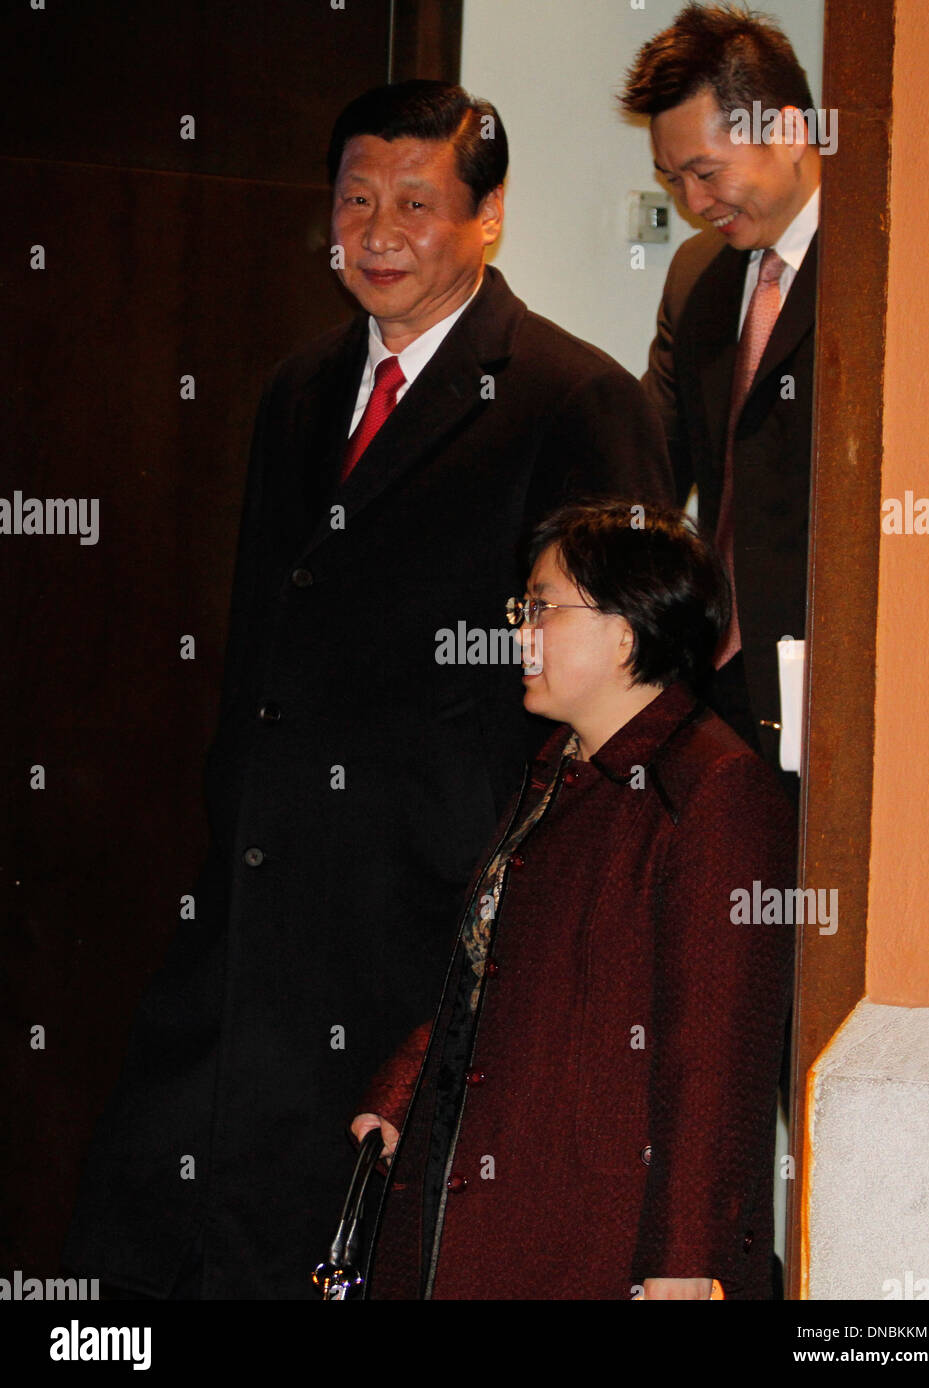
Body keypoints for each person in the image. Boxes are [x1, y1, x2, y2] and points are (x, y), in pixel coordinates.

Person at [62, 81, 671, 1299]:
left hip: (424, 927)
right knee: (146, 1240)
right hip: (251, 918)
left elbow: (623, 696)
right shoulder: (297, 390)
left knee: (348, 1253)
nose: (378, 232)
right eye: (355, 201)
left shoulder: (573, 399)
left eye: (417, 203)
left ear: (489, 218)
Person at [354, 501, 795, 1301]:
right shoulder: (557, 767)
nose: (520, 631)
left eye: (543, 607)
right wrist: (403, 1093)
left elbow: (717, 1052)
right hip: (482, 1210)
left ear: (627, 633)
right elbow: (491, 974)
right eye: (522, 609)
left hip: (595, 1241)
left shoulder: (714, 788)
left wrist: (686, 1260)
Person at [620, 3, 820, 767]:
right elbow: (651, 464)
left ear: (792, 132)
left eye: (707, 172)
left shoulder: (879, 265)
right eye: (673, 179)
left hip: (826, 676)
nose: (694, 204)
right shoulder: (697, 276)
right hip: (712, 679)